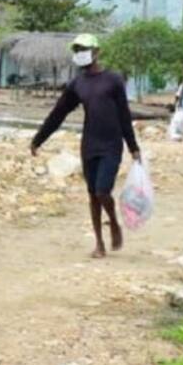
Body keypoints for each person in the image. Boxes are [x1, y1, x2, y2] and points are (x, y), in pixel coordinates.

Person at [31, 34, 141, 258]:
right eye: (77, 49)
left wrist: (133, 146)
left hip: (111, 143)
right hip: (89, 144)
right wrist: (38, 139)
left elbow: (124, 115)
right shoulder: (77, 84)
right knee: (92, 195)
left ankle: (114, 222)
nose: (80, 52)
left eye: (84, 48)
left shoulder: (113, 80)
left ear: (96, 51)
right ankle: (99, 242)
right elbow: (58, 113)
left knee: (103, 190)